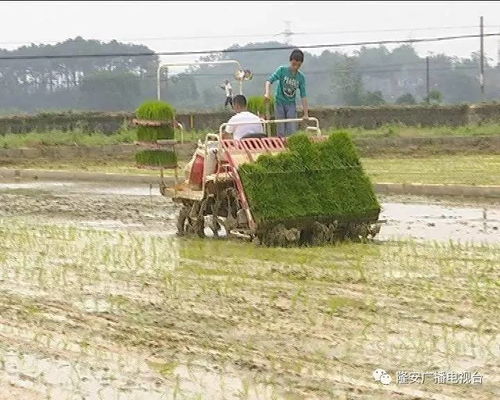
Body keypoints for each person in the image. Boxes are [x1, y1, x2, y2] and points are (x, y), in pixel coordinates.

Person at [264, 48, 309, 137]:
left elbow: (303, 96)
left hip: (291, 103)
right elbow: (269, 81)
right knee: (281, 128)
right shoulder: (282, 70)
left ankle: (291, 146)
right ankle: (281, 145)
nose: (295, 67)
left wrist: (306, 113)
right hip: (279, 102)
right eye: (294, 64)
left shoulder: (300, 77)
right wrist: (267, 93)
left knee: (292, 128)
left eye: (298, 65)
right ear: (290, 61)